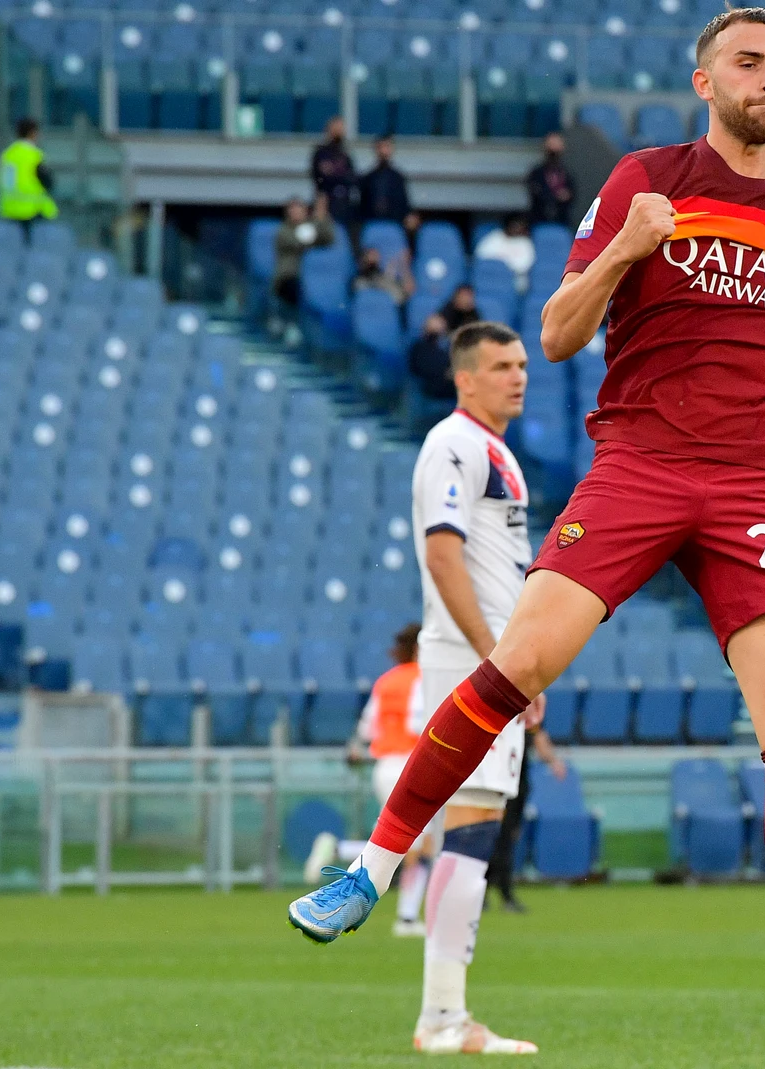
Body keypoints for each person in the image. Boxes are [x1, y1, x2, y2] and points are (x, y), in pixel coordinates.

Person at [285, 8, 765, 1048]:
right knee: (517, 664)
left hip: (756, 488)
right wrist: (624, 247)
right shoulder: (647, 183)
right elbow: (560, 334)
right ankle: (371, 869)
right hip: (641, 466)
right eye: (748, 63)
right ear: (704, 82)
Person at [292, 322, 542, 1055]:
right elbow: (442, 554)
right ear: (464, 377)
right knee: (468, 835)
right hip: (470, 661)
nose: (517, 375)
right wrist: (501, 663)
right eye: (501, 365)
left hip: (489, 658)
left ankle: (443, 1014)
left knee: (470, 837)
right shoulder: (454, 442)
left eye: (522, 363)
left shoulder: (498, 450)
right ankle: (442, 1017)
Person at [303, 624, 443, 937]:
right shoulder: (425, 678)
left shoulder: (387, 681)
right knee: (418, 845)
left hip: (384, 766)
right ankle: (404, 916)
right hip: (411, 766)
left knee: (411, 843)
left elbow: (368, 730)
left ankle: (406, 917)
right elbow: (421, 723)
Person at [483, 710, 568, 914]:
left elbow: (538, 736)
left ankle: (484, 893)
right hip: (509, 785)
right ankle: (503, 895)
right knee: (503, 841)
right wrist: (554, 761)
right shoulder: (524, 703)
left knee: (492, 838)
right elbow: (539, 739)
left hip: (497, 783)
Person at [0, 117, 57, 235]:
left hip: (9, 210)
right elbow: (47, 182)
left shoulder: (8, 154)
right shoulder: (34, 155)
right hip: (32, 211)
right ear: (32, 133)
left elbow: (6, 182)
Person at [311, 116, 360, 228]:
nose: (339, 130)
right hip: (327, 202)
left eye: (341, 128)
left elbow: (351, 178)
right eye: (336, 127)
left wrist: (335, 173)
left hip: (344, 202)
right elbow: (320, 178)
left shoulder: (345, 154)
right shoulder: (321, 153)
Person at [359, 134, 412, 228]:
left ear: (392, 149)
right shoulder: (367, 179)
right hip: (372, 226)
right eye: (380, 147)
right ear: (376, 150)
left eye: (387, 147)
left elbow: (404, 205)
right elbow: (362, 206)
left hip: (395, 226)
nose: (383, 151)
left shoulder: (398, 178)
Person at [525, 131, 577, 226]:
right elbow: (536, 193)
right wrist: (556, 196)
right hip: (539, 221)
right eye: (551, 149)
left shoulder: (566, 174)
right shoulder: (537, 173)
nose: (554, 153)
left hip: (561, 221)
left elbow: (571, 195)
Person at [475, 214, 537, 290]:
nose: (517, 229)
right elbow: (481, 256)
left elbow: (525, 265)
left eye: (519, 226)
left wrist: (505, 267)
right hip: (493, 277)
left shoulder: (524, 242)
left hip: (514, 280)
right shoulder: (494, 238)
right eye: (515, 225)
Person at [407, 313, 456, 404]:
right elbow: (420, 368)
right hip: (430, 390)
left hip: (452, 391)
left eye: (440, 326)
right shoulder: (419, 347)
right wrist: (446, 372)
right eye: (433, 328)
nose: (438, 330)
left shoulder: (449, 347)